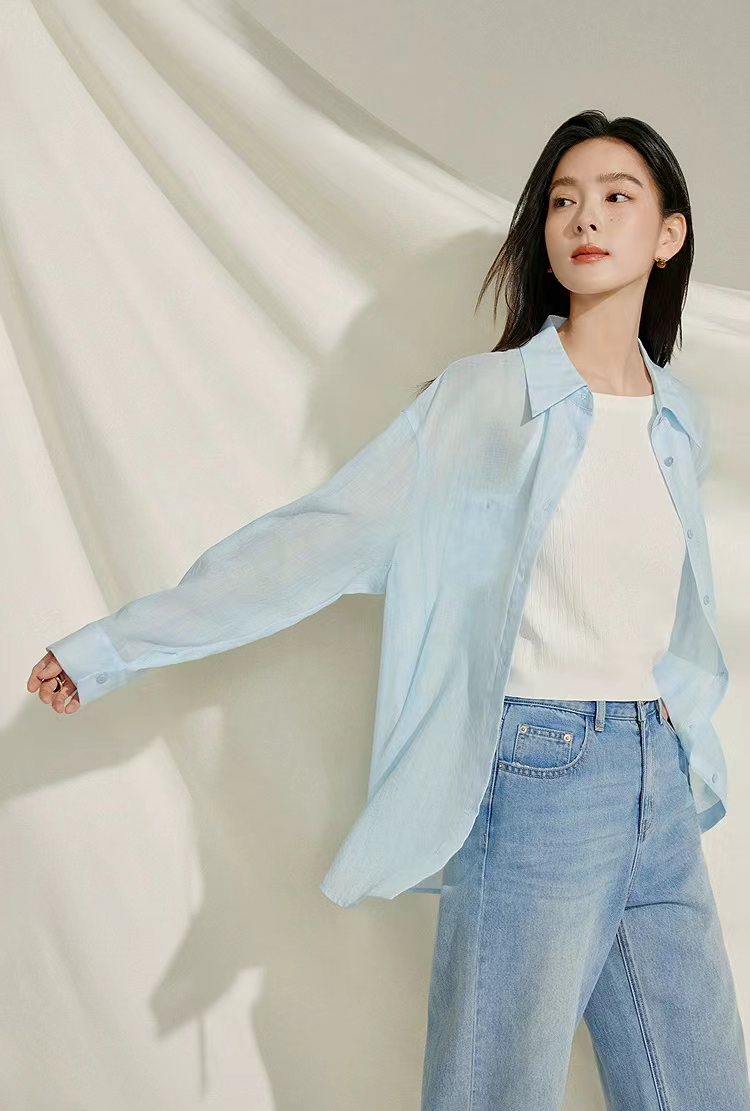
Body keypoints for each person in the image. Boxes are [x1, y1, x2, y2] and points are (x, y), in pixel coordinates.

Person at [27, 109, 749, 1109]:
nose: (585, 217)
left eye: (616, 196)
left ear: (668, 234)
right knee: (493, 1092)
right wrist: (112, 646)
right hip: (538, 777)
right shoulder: (480, 402)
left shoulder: (679, 417)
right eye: (563, 200)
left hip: (659, 782)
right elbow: (312, 542)